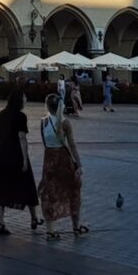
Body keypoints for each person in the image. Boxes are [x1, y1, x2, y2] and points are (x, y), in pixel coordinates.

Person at [0, 91, 40, 237]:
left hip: (2, 153)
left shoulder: (1, 113)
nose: (26, 99)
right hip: (15, 154)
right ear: (19, 101)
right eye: (24, 97)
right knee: (27, 184)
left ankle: (0, 222)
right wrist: (25, 159)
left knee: (1, 187)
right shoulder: (21, 116)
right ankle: (34, 218)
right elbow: (22, 138)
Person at [38, 89, 87, 239]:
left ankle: (50, 231)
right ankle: (76, 227)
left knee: (49, 194)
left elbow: (45, 143)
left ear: (47, 106)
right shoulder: (65, 122)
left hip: (49, 160)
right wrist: (79, 164)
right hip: (63, 159)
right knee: (73, 190)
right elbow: (72, 145)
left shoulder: (43, 122)